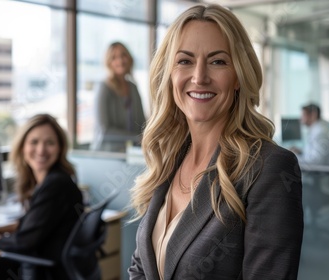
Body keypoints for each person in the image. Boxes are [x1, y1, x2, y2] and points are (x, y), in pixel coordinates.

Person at [128, 4, 303, 280]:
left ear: (238, 76)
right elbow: (141, 267)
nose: (199, 77)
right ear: (170, 75)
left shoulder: (269, 168)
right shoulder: (169, 159)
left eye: (218, 61)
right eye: (185, 61)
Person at [0, 114, 83, 280]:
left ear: (60, 148)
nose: (41, 150)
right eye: (34, 142)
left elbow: (23, 243)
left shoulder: (56, 185)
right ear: (23, 146)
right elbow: (36, 222)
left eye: (50, 143)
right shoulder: (53, 179)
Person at [90, 41, 146, 152]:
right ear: (108, 62)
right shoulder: (103, 88)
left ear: (129, 58)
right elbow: (104, 130)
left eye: (123, 55)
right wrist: (136, 138)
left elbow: (142, 123)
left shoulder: (133, 87)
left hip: (131, 152)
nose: (120, 61)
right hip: (106, 153)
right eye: (114, 57)